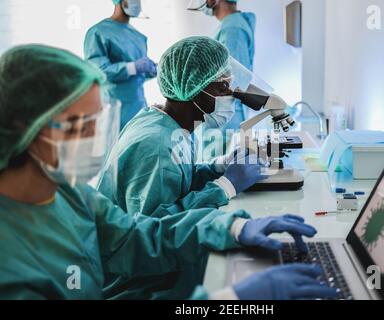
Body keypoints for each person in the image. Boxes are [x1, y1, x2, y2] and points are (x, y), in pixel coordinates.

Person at [0, 44, 338, 301]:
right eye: (79, 125)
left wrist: (234, 227)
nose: (93, 140)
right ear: (25, 126)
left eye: (96, 122)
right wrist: (231, 300)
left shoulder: (66, 192)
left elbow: (138, 236)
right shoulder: (11, 266)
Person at [96, 36, 266, 298]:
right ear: (193, 88)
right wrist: (225, 187)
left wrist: (218, 167)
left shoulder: (165, 122)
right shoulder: (155, 145)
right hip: (138, 283)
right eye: (222, 88)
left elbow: (177, 178)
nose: (231, 97)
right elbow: (157, 231)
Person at [84, 0, 157, 129]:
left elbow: (138, 76)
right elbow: (98, 72)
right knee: (113, 147)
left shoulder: (138, 36)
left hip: (138, 106)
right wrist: (133, 67)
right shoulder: (98, 32)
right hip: (113, 109)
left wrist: (152, 70)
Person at [188, 0, 256, 131]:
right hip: (225, 112)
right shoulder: (231, 24)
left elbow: (232, 78)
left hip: (227, 114)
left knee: (224, 150)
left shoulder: (233, 28)